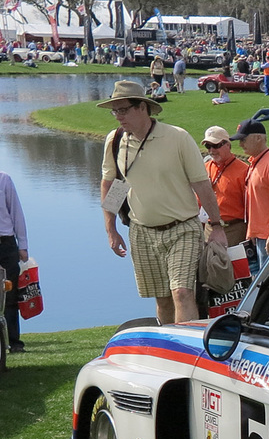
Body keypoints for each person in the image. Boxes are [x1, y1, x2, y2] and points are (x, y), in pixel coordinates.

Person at [97, 81, 226, 324]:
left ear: (142, 107)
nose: (118, 117)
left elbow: (201, 184)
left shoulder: (178, 137)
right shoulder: (115, 141)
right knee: (162, 298)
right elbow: (111, 186)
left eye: (123, 110)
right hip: (141, 232)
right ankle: (170, 353)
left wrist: (216, 225)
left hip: (183, 229)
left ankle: (187, 353)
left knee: (183, 292)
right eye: (114, 111)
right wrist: (111, 229)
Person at [231, 119, 269, 271]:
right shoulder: (256, 163)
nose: (240, 144)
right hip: (261, 236)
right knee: (264, 287)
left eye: (243, 139)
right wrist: (252, 231)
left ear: (258, 138)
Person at [0, 155, 29, 352]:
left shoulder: (2, 179)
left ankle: (15, 342)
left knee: (10, 295)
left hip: (5, 245)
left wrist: (23, 246)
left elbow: (16, 212)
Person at [202, 126, 249, 247]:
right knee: (206, 265)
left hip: (234, 229)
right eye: (208, 146)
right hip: (209, 228)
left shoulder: (244, 170)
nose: (212, 150)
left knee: (232, 265)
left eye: (216, 145)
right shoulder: (205, 168)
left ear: (227, 145)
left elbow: (251, 207)